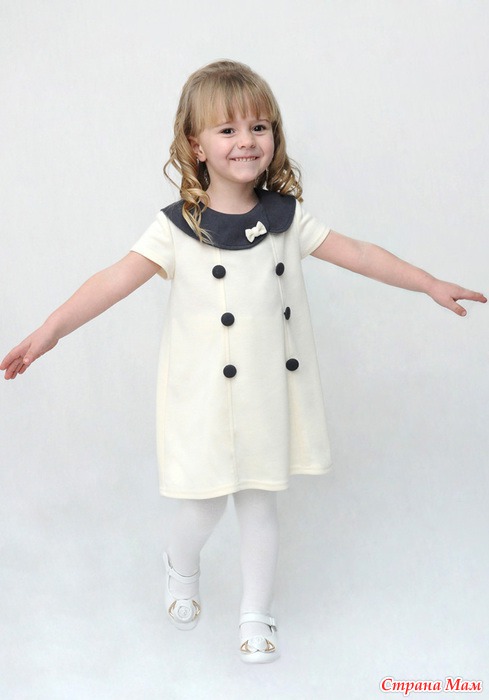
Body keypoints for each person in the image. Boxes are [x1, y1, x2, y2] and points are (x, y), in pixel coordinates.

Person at [1, 60, 486, 664]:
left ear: (274, 136)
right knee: (202, 505)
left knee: (260, 504)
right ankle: (181, 566)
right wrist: (50, 331)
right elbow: (111, 281)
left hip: (265, 393)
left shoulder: (285, 218)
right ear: (195, 145)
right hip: (204, 397)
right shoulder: (176, 227)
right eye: (227, 130)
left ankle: (256, 616)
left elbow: (361, 253)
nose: (246, 141)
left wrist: (428, 282)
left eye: (259, 127)